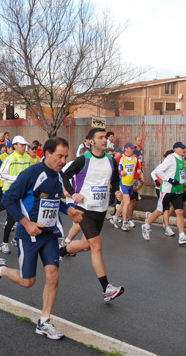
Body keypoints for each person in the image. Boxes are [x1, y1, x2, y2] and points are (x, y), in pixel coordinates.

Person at [0, 137, 84, 340]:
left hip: (49, 234)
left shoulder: (57, 175)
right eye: (59, 156)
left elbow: (53, 201)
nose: (63, 160)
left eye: (66, 156)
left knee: (53, 275)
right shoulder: (31, 174)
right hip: (29, 235)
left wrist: (68, 210)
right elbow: (9, 198)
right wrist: (26, 224)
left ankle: (44, 321)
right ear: (47, 154)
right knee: (28, 281)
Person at [60, 128, 125, 302]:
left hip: (101, 209)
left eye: (105, 137)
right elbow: (64, 175)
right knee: (96, 245)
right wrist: (73, 193)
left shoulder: (111, 160)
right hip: (84, 208)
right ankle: (106, 289)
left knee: (85, 245)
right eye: (100, 137)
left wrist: (117, 192)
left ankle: (58, 251)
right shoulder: (83, 160)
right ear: (90, 141)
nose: (105, 140)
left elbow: (115, 180)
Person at [141, 142, 186, 245]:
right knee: (160, 211)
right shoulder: (170, 159)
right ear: (175, 149)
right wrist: (169, 180)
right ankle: (146, 226)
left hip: (178, 190)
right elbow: (159, 171)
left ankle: (182, 236)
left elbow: (181, 174)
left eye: (185, 148)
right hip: (167, 190)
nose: (184, 150)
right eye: (182, 148)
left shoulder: (182, 160)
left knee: (180, 212)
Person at [0, 136, 33, 254]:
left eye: (25, 144)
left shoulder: (28, 158)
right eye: (21, 144)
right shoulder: (10, 158)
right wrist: (17, 179)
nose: (24, 147)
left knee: (24, 217)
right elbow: (1, 174)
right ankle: (4, 243)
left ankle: (15, 239)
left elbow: (31, 173)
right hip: (10, 192)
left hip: (24, 193)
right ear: (15, 146)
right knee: (11, 219)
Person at [111, 142, 143, 231]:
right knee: (127, 202)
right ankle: (125, 222)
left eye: (133, 148)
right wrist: (120, 172)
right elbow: (113, 167)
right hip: (123, 183)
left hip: (130, 183)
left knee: (123, 203)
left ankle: (115, 217)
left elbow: (137, 168)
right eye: (131, 148)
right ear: (126, 149)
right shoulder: (120, 158)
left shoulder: (135, 158)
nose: (133, 149)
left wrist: (139, 171)